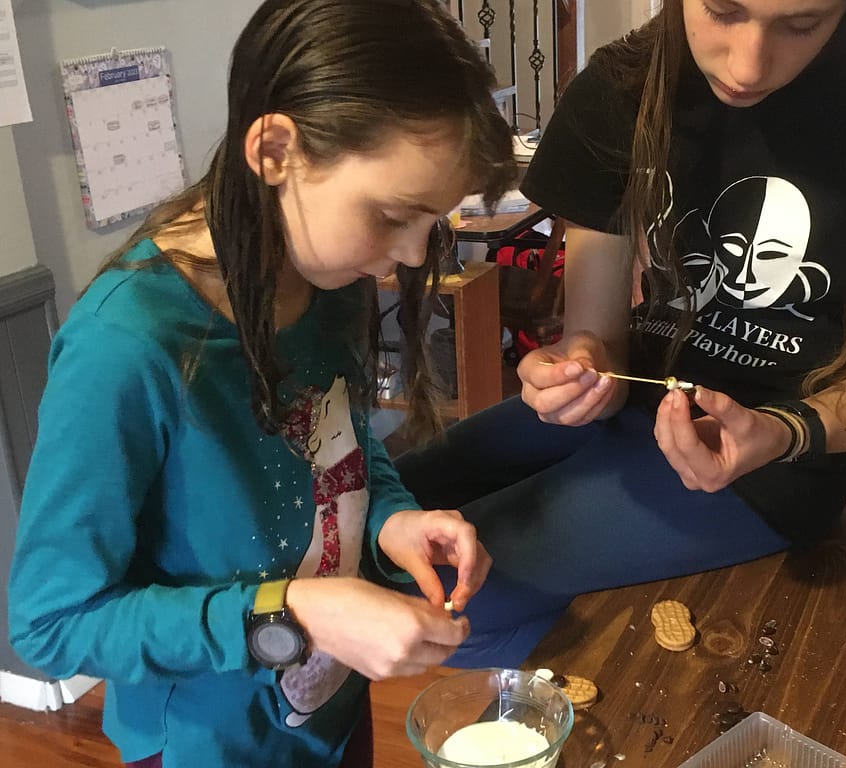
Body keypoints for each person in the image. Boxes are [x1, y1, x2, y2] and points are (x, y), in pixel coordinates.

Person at [394, 0, 846, 668]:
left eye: (801, 25)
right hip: (632, 404)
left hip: (774, 466)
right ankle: (571, 640)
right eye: (722, 11)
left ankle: (586, 673)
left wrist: (782, 431)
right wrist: (580, 369)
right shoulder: (622, 88)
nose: (747, 66)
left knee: (424, 596)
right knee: (370, 517)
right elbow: (596, 338)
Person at [8, 1, 517, 766]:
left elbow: (338, 448)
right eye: (390, 216)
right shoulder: (125, 346)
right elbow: (52, 623)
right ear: (275, 149)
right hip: (206, 749)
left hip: (327, 716)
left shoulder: (327, 270)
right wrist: (292, 614)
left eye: (431, 223)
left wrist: (390, 521)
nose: (411, 257)